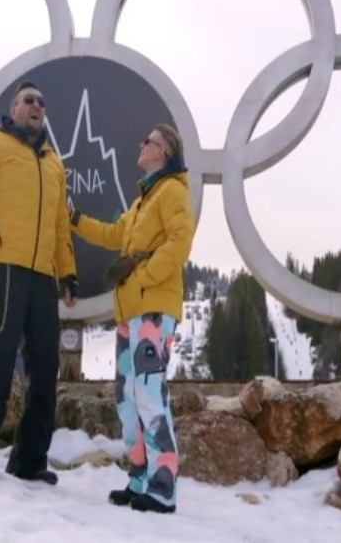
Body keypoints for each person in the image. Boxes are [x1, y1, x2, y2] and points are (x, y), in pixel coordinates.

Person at [0, 80, 79, 483]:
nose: (37, 106)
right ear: (14, 108)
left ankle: (29, 459)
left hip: (43, 274)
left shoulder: (53, 162)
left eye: (42, 101)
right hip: (2, 266)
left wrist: (68, 272)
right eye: (29, 100)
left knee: (46, 365)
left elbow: (61, 225)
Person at [68, 122, 195, 514]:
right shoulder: (143, 201)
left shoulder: (172, 190)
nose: (141, 145)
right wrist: (75, 220)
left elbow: (181, 241)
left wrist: (144, 277)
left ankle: (163, 487)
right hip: (131, 311)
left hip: (153, 309)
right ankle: (140, 477)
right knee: (127, 397)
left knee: (149, 394)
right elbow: (112, 234)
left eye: (149, 141)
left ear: (163, 152)